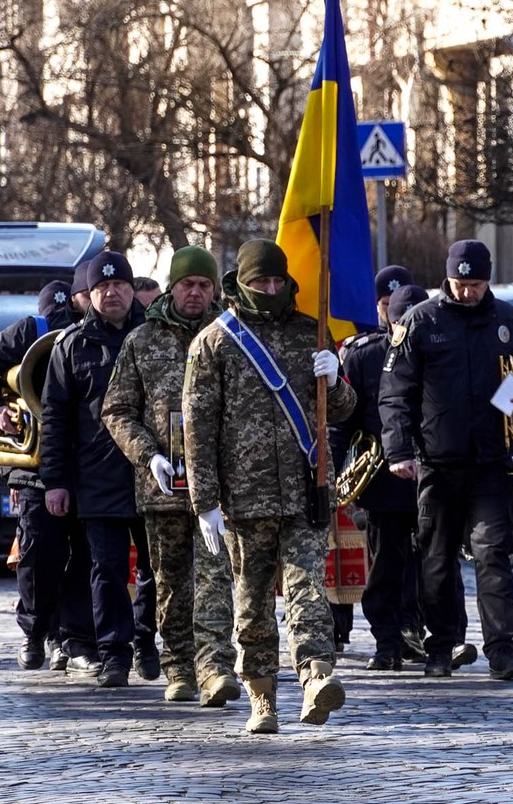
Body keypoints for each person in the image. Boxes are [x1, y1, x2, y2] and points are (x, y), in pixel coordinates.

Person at [183, 240, 355, 733]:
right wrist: (205, 502)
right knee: (253, 601)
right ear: (243, 282)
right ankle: (262, 698)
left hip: (304, 489)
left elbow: (341, 409)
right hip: (244, 497)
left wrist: (335, 380)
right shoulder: (215, 342)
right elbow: (198, 427)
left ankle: (316, 676)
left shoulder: (310, 333)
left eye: (279, 281)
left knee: (308, 588)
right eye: (262, 281)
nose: (272, 288)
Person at [380, 239, 513, 681]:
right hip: (437, 462)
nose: (468, 292)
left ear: (487, 281)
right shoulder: (421, 322)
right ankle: (441, 645)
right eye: (460, 284)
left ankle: (502, 649)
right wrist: (398, 451)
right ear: (448, 279)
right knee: (436, 559)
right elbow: (396, 393)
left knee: (492, 553)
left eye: (475, 285)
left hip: (490, 462)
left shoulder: (507, 320)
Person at [103, 246, 240, 708]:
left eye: (204, 285)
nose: (195, 292)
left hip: (219, 488)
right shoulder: (142, 341)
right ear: (172, 287)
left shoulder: (232, 336)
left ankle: (215, 667)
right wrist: (148, 457)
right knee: (171, 582)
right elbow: (117, 410)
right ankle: (179, 666)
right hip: (164, 488)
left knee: (216, 578)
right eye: (187, 284)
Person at [0, 278, 95, 671]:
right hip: (34, 463)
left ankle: (74, 639)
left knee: (86, 553)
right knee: (38, 552)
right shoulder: (29, 331)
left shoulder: (100, 330)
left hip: (85, 459)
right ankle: (36, 631)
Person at [41, 251, 152, 689]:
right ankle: (114, 655)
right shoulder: (70, 346)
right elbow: (55, 419)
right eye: (102, 287)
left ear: (131, 289)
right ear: (89, 294)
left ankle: (147, 643)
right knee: (107, 571)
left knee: (156, 569)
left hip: (153, 475)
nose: (112, 293)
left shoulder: (156, 335)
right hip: (97, 477)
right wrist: (55, 481)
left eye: (119, 285)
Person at [336, 284, 439, 671]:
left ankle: (437, 637)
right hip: (384, 477)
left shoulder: (441, 347)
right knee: (386, 563)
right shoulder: (365, 355)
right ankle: (387, 641)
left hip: (435, 472)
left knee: (435, 562)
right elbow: (345, 419)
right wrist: (332, 467)